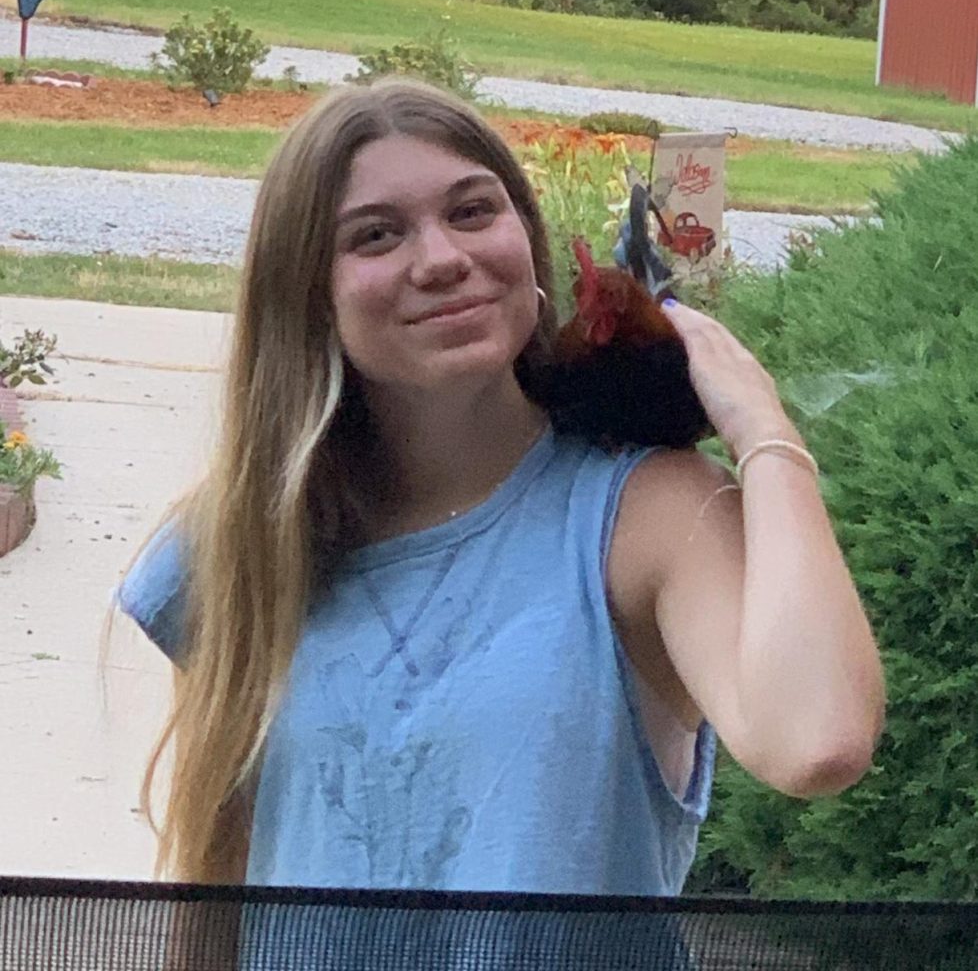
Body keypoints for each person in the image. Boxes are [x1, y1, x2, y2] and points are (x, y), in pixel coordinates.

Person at [117, 78, 884, 895]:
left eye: (473, 211)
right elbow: (221, 866)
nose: (444, 259)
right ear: (308, 298)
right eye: (376, 236)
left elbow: (816, 738)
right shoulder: (246, 537)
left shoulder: (646, 519)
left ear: (526, 237)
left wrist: (763, 434)